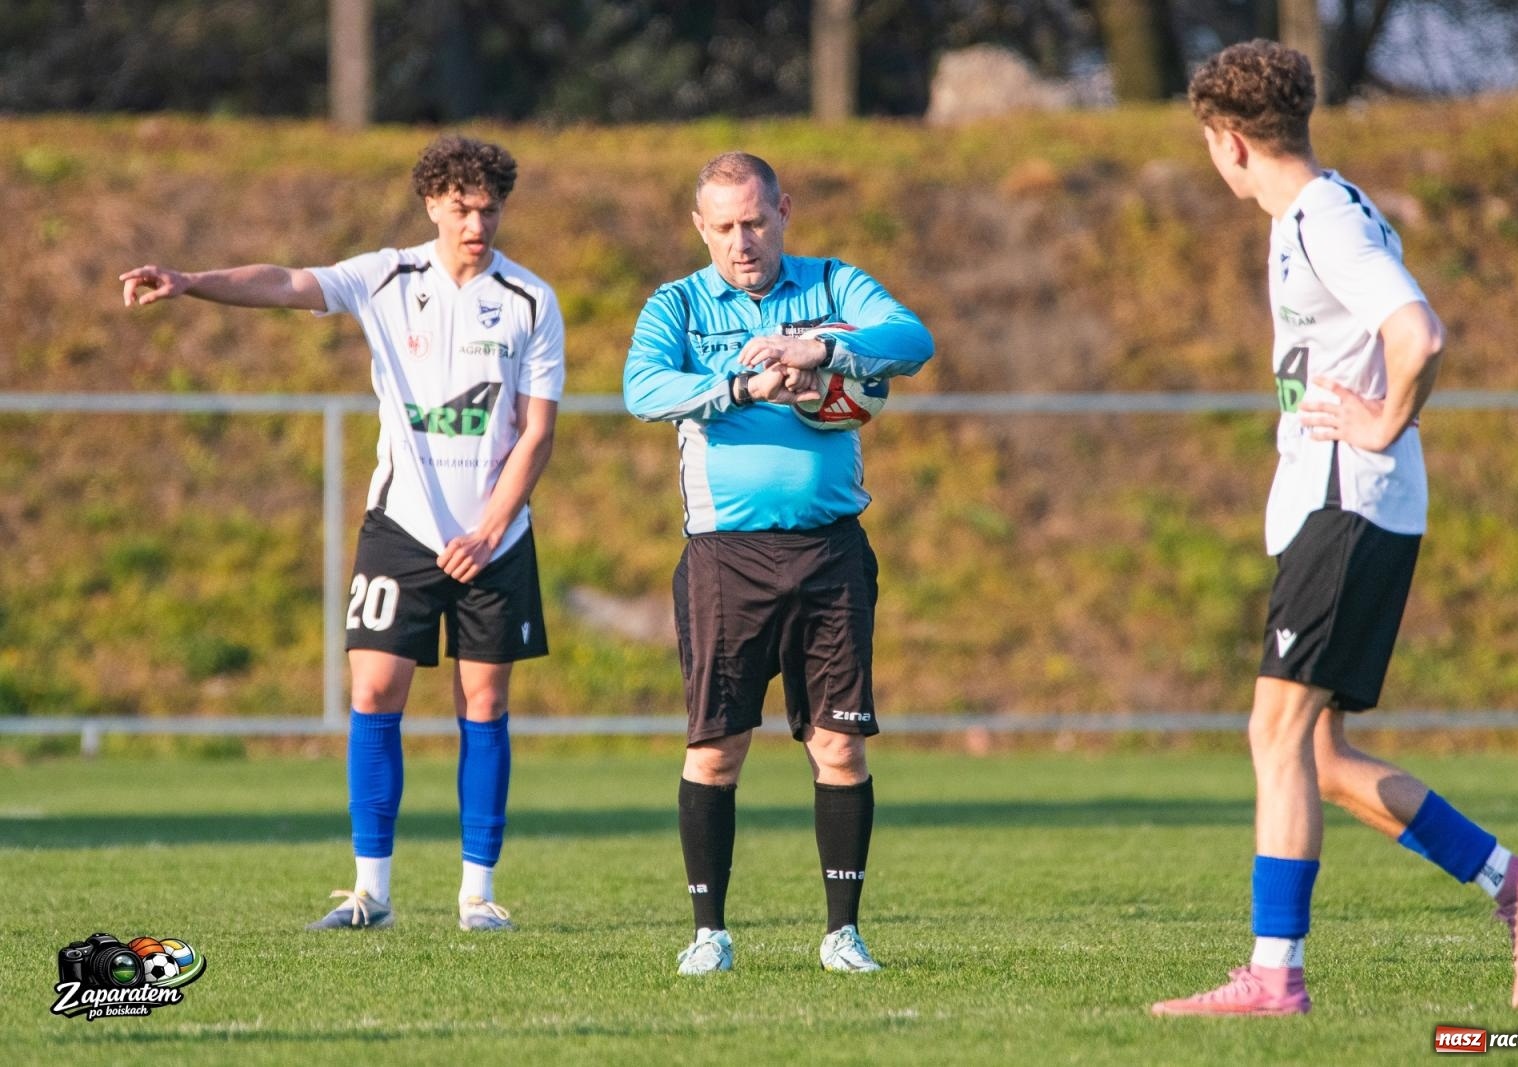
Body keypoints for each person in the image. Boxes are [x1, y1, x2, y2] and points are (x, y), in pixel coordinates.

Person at [1151, 41, 1518, 1017]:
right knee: (1320, 757)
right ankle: (1515, 880)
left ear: (1228, 141)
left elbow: (1418, 332)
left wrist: (1381, 421)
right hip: (1346, 501)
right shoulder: (1316, 210)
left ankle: (1274, 975)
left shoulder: (1323, 219)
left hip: (1349, 498)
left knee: (1273, 731)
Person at [121, 134, 565, 934]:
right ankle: (370, 893)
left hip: (494, 537)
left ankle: (478, 895)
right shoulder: (385, 277)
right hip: (402, 526)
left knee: (485, 700)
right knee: (372, 692)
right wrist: (191, 282)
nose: (477, 224)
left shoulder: (531, 299)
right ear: (431, 205)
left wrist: (490, 528)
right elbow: (287, 282)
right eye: (462, 208)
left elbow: (536, 433)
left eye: (490, 209)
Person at [623, 151, 934, 975]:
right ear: (701, 227)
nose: (742, 241)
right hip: (725, 557)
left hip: (831, 551)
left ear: (784, 211)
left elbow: (912, 340)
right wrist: (741, 386)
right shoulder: (678, 304)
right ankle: (709, 934)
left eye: (756, 221)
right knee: (716, 748)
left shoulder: (832, 285)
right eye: (724, 227)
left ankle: (842, 933)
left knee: (840, 746)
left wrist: (818, 351)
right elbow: (642, 389)